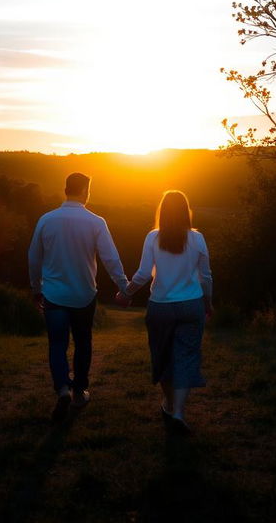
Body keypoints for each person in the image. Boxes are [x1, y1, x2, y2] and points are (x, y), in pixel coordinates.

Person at [28, 172, 129, 422]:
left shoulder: (46, 220)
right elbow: (110, 258)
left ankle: (62, 387)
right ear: (85, 190)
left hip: (53, 294)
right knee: (83, 343)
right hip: (84, 294)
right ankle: (79, 391)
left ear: (65, 189)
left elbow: (33, 257)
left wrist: (35, 288)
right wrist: (124, 287)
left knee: (57, 345)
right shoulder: (96, 222)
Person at [117, 189, 213, 434]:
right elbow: (205, 277)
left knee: (162, 357)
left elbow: (142, 274)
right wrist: (208, 303)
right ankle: (178, 412)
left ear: (162, 211)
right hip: (191, 305)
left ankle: (170, 405)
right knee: (186, 357)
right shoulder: (197, 238)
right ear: (186, 211)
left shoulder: (153, 237)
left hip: (160, 307)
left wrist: (126, 293)